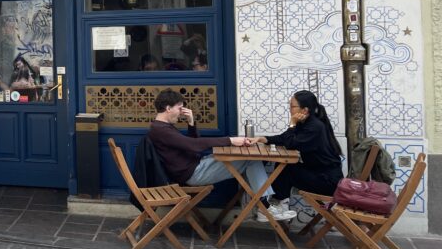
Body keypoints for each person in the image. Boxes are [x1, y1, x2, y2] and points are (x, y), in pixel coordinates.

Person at [147, 89, 296, 222]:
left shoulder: (163, 128)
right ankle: (264, 207)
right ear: (168, 108)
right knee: (251, 160)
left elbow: (193, 146)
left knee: (249, 160)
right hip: (192, 174)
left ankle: (260, 205)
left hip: (196, 166)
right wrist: (230, 140)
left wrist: (191, 123)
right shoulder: (161, 130)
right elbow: (193, 145)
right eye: (179, 108)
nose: (181, 112)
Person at [255, 90, 344, 222]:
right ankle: (279, 205)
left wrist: (292, 123)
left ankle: (279, 206)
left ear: (304, 110)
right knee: (285, 165)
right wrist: (263, 139)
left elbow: (291, 143)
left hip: (327, 182)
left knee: (287, 167)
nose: (290, 109)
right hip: (319, 174)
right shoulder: (306, 124)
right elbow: (285, 138)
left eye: (292, 106)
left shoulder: (315, 127)